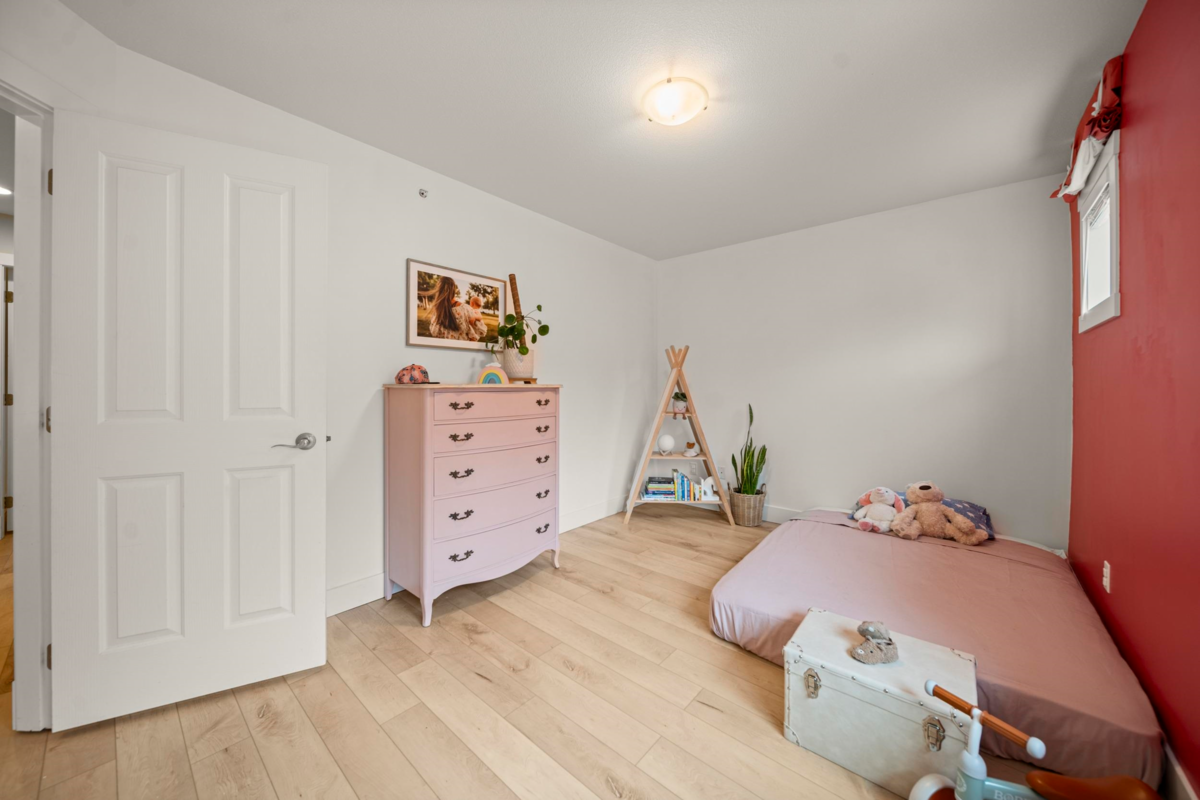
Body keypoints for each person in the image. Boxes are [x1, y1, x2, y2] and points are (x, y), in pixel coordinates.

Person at [425, 277, 486, 341]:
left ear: (439, 290)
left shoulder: (438, 311)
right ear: (454, 289)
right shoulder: (465, 309)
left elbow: (434, 333)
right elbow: (482, 331)